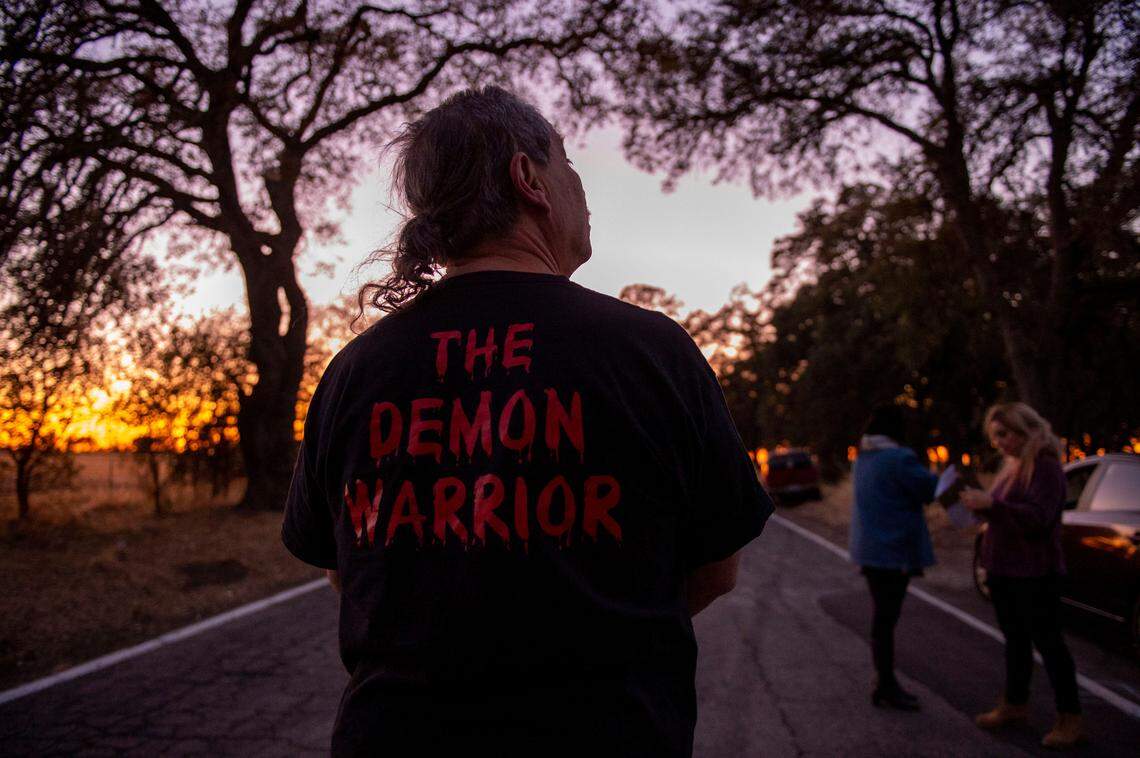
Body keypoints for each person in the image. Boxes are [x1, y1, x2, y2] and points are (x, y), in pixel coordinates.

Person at [281, 86, 774, 758]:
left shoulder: (352, 372)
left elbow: (348, 571)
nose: (583, 190)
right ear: (529, 179)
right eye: (569, 165)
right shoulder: (652, 352)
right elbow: (716, 569)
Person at [962, 402, 1083, 749]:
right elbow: (1004, 515)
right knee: (1015, 643)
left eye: (1003, 434)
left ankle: (1070, 718)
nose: (998, 443)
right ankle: (1014, 705)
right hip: (1004, 571)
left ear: (1023, 429)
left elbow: (1038, 518)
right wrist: (977, 509)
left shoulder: (1044, 466)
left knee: (1050, 645)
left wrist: (992, 506)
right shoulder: (1012, 466)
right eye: (994, 436)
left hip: (1034, 572)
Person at [848, 404, 937, 711]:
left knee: (881, 620)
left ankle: (883, 681)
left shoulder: (862, 459)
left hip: (869, 552)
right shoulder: (900, 459)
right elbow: (929, 490)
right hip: (894, 550)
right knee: (887, 620)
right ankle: (886, 684)